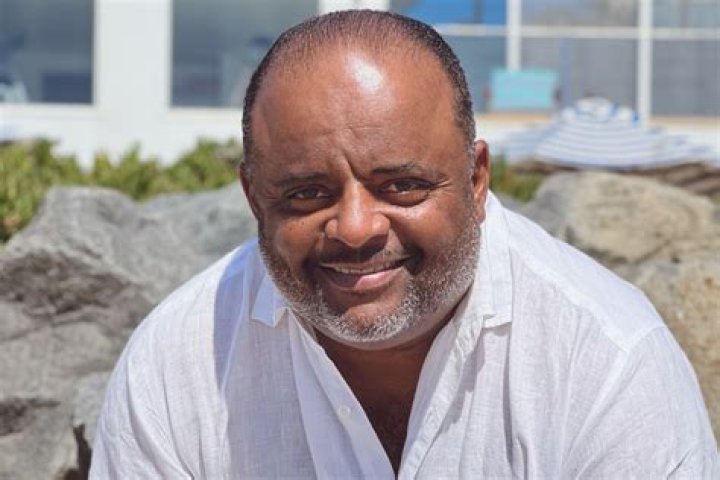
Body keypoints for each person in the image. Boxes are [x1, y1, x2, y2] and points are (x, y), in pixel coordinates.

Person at [90, 10, 717, 478]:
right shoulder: (175, 365)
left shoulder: (606, 360)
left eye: (402, 186)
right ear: (255, 198)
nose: (355, 227)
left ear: (476, 180)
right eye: (308, 194)